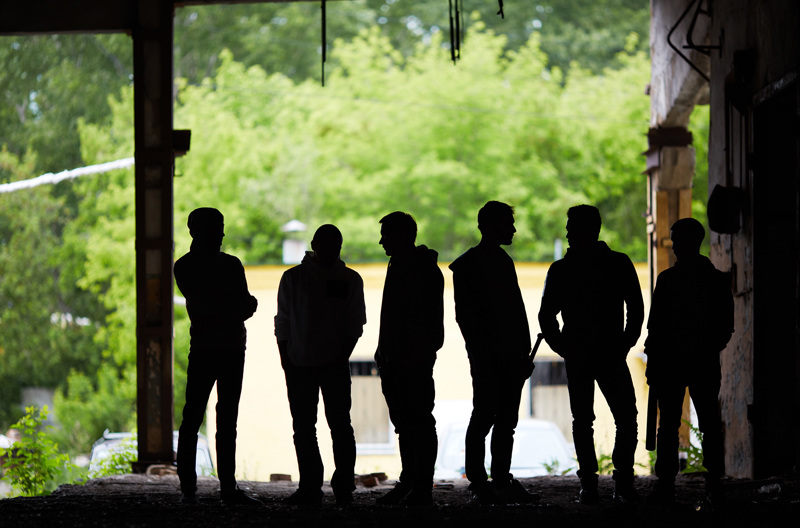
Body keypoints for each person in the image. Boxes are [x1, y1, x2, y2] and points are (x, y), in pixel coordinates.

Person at [538, 204, 644, 504]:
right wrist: (624, 344)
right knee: (625, 418)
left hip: (581, 354)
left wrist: (563, 347)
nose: (568, 232)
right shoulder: (618, 263)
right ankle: (622, 483)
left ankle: (589, 484)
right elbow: (636, 309)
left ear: (589, 229)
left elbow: (547, 317)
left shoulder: (561, 270)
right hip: (610, 353)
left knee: (583, 420)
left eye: (572, 226)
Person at [449, 201, 539, 504]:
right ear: (491, 226)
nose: (513, 229)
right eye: (508, 224)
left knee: (492, 417)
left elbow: (489, 316)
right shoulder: (492, 262)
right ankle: (491, 480)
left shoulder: (475, 264)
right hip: (496, 355)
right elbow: (482, 317)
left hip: (497, 355)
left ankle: (487, 481)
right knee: (496, 419)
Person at [274, 224, 367, 506]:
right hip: (317, 364)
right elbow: (354, 324)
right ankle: (337, 485)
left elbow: (284, 324)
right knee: (335, 426)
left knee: (310, 427)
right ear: (315, 244)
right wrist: (339, 356)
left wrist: (287, 359)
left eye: (334, 246)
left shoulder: (295, 278)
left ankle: (315, 487)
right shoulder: (347, 279)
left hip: (305, 363)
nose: (330, 251)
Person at [174, 207, 260, 505]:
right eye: (218, 227)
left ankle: (189, 489)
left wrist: (229, 306)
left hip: (205, 347)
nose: (222, 233)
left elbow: (210, 306)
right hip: (231, 348)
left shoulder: (184, 267)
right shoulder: (231, 266)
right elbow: (245, 306)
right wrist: (236, 306)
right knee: (225, 420)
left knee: (193, 417)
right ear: (199, 230)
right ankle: (226, 488)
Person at [645, 218, 734, 505]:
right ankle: (713, 483)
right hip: (701, 361)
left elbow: (655, 328)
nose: (674, 247)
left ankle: (668, 484)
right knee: (707, 424)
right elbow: (725, 327)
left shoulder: (668, 280)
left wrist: (657, 359)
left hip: (674, 363)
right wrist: (705, 349)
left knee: (670, 425)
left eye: (676, 241)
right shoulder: (716, 280)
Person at [374, 211, 444, 507]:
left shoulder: (417, 269)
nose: (381, 242)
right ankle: (413, 483)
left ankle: (419, 487)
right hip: (399, 359)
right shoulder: (406, 265)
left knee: (418, 422)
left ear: (401, 236)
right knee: (408, 423)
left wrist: (407, 354)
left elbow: (424, 323)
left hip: (410, 360)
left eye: (386, 235)